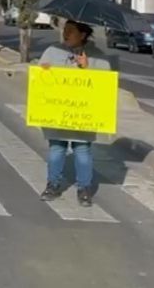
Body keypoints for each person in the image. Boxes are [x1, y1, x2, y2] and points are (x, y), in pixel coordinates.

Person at [38, 19, 113, 207]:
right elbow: (40, 74)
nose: (66, 34)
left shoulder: (98, 56)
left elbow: (105, 85)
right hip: (58, 113)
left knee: (82, 150)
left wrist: (87, 69)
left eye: (71, 31)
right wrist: (46, 70)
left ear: (83, 35)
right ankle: (53, 184)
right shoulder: (53, 51)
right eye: (65, 30)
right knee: (57, 149)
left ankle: (84, 189)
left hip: (82, 116)